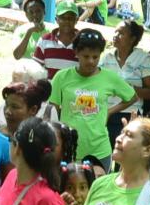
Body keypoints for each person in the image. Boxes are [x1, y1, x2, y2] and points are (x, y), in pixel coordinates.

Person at [48, 29, 137, 165]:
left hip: (99, 151)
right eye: (86, 56)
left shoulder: (109, 77)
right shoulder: (62, 77)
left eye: (95, 57)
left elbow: (132, 97)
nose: (91, 61)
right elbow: (53, 109)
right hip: (69, 150)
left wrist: (109, 111)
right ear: (76, 53)